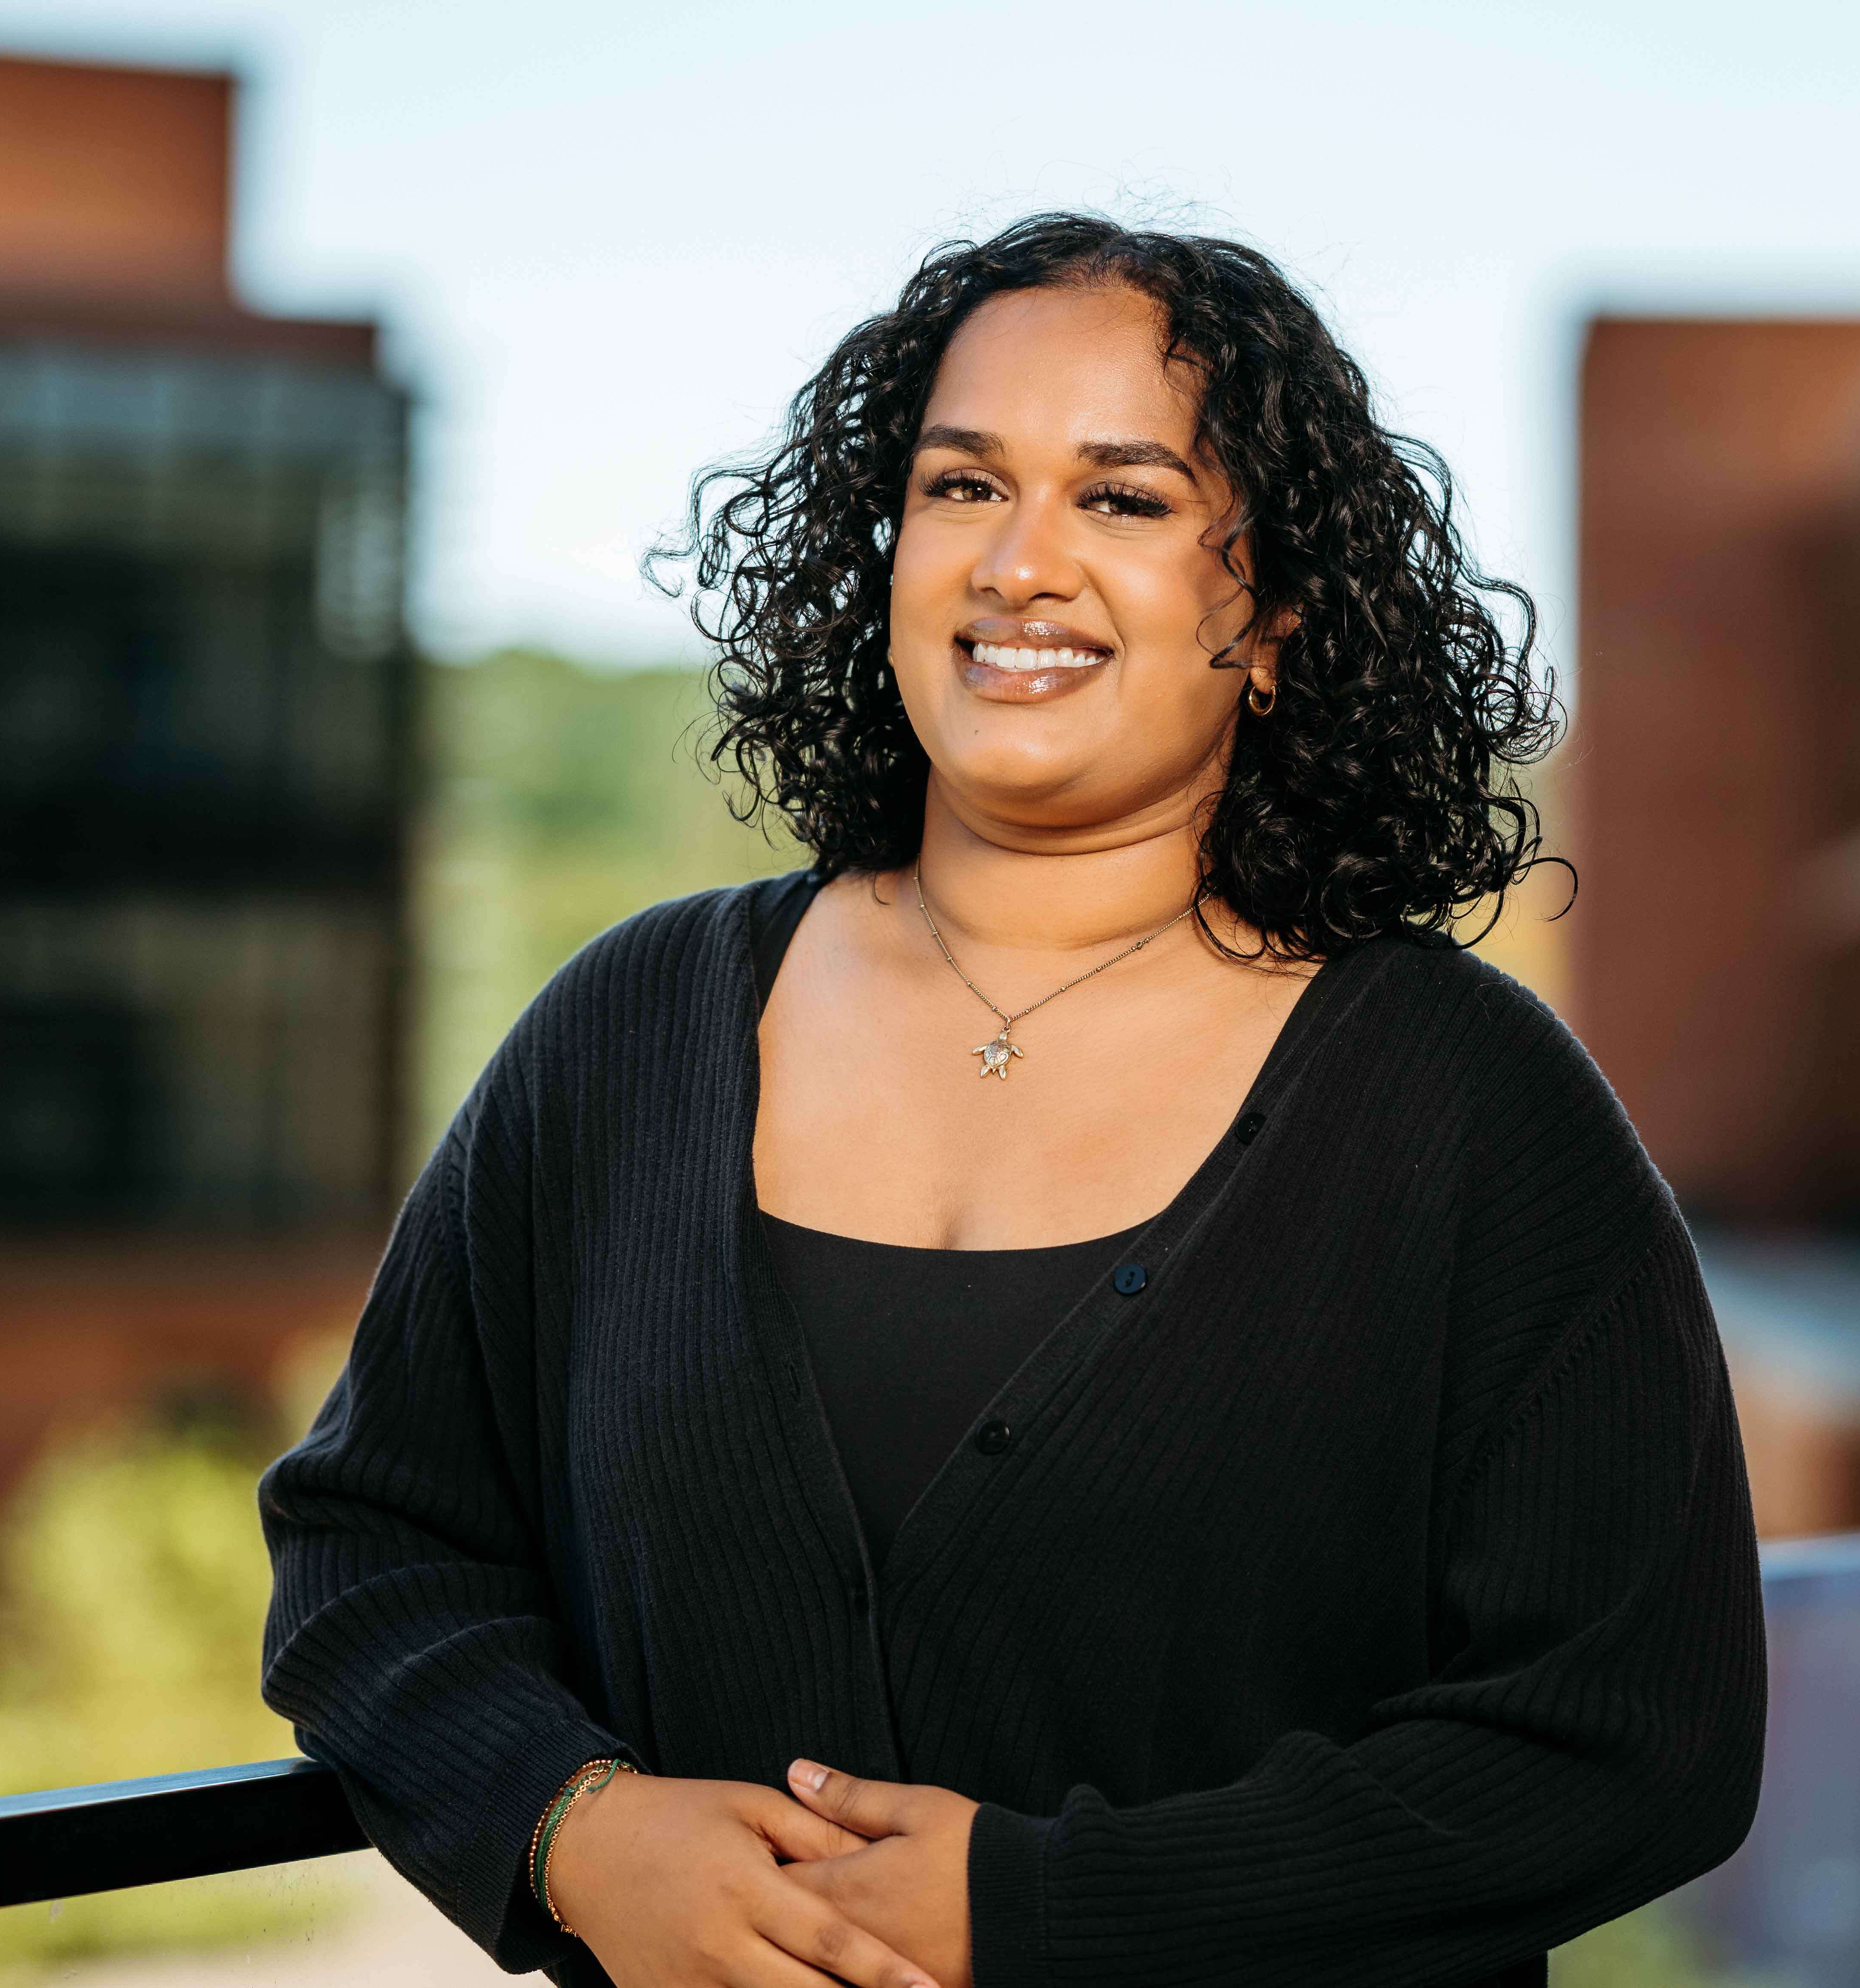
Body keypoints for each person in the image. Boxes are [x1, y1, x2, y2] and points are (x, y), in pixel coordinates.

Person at [259, 213, 1764, 1988]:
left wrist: (1047, 1902)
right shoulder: (628, 1031)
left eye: (1120, 499)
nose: (1019, 563)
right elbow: (371, 1549)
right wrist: (569, 1823)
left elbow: (1633, 1740)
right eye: (964, 486)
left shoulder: (1469, 1107)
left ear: (1271, 615)